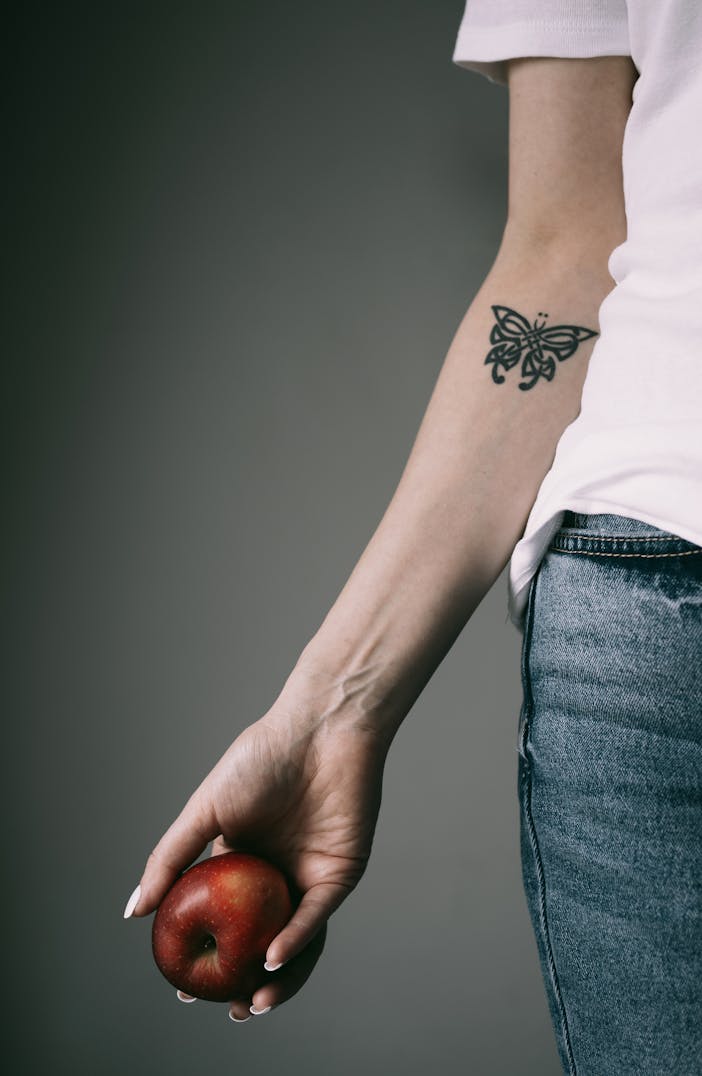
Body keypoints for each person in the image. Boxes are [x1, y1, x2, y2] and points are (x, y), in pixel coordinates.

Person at [124, 3, 702, 1071]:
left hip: (655, 581)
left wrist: (333, 702)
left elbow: (564, 241)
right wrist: (330, 708)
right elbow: (571, 254)